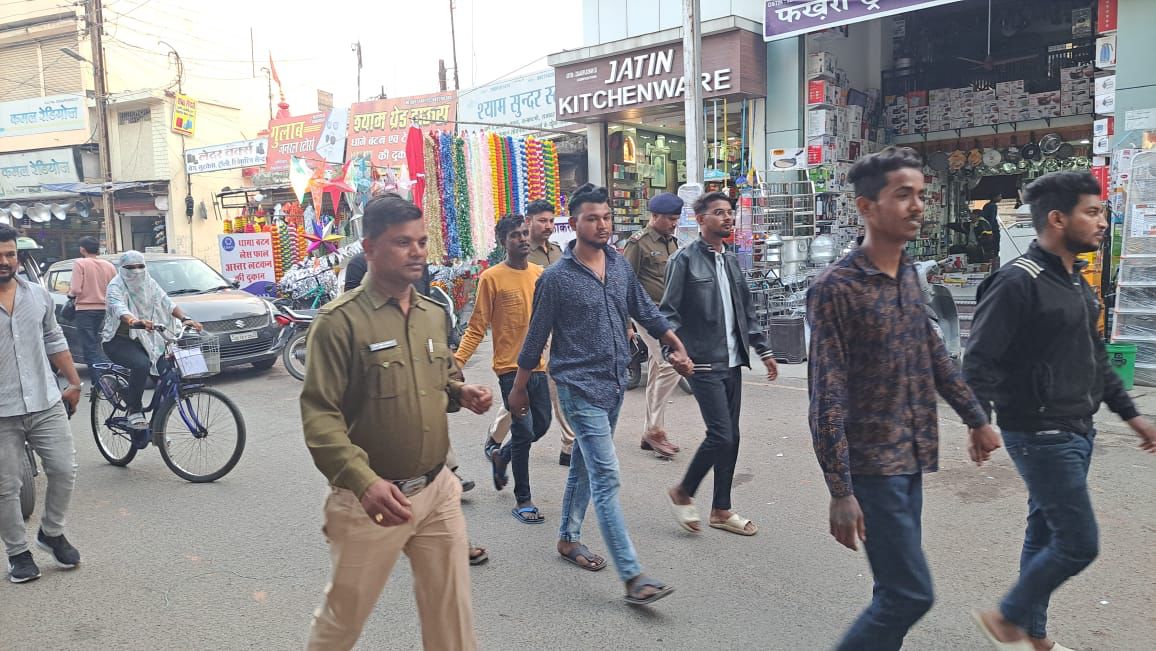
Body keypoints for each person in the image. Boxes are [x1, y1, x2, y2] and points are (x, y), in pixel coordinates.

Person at [806, 147, 1001, 650]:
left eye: (920, 194)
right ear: (867, 207)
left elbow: (933, 354)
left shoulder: (909, 275)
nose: (917, 206)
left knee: (892, 590)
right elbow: (826, 394)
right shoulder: (836, 288)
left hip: (911, 457)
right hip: (872, 468)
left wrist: (976, 418)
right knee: (910, 595)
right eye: (903, 195)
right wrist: (840, 490)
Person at [964, 171, 1156, 651]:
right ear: (1057, 219)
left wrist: (1132, 416)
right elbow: (980, 359)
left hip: (1077, 426)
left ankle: (1033, 636)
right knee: (1078, 542)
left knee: (1044, 532)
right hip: (1040, 431)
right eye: (1091, 212)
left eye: (1101, 211)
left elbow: (1096, 360)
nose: (1102, 222)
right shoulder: (1016, 281)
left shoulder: (1075, 282)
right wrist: (978, 421)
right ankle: (1007, 617)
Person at [301, 193, 493, 650]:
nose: (418, 252)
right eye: (403, 242)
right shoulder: (339, 323)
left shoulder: (432, 314)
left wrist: (459, 392)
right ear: (369, 248)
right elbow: (320, 415)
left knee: (451, 616)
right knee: (342, 621)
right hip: (370, 500)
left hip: (437, 490)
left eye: (422, 242)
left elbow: (439, 375)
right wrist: (364, 482)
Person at [508, 184, 693, 606]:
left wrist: (673, 342)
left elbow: (644, 309)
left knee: (584, 467)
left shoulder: (618, 263)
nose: (602, 224)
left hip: (613, 384)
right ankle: (633, 576)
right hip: (578, 387)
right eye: (592, 218)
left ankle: (568, 538)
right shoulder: (555, 279)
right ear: (574, 223)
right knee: (606, 476)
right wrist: (518, 389)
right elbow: (535, 338)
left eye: (607, 217)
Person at [661, 192, 778, 536]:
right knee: (721, 434)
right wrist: (673, 353)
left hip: (732, 361)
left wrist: (763, 349)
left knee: (732, 436)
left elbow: (746, 311)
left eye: (729, 212)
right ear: (700, 219)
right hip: (702, 362)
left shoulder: (730, 261)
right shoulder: (683, 260)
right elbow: (668, 313)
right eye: (718, 212)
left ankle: (721, 509)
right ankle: (684, 491)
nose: (727, 218)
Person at [343, 249, 476, 493]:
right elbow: (352, 310)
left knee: (429, 409)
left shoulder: (418, 264)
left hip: (419, 349)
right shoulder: (359, 264)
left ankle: (446, 472)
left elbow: (424, 306)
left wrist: (446, 360)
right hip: (381, 355)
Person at [0, 224, 84, 583]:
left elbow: (54, 338)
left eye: (10, 254)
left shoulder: (37, 295)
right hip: (2, 412)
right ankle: (17, 553)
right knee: (5, 487)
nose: (5, 261)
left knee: (64, 469)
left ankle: (51, 532)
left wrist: (74, 382)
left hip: (44, 400)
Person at [455, 215, 551, 524]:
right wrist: (458, 362)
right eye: (514, 235)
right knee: (522, 432)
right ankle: (524, 500)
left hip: (539, 366)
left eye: (524, 233)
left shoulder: (540, 274)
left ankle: (502, 456)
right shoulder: (491, 278)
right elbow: (477, 326)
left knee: (541, 425)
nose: (522, 239)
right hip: (509, 369)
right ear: (502, 242)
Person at [485, 199, 577, 466]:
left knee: (552, 386)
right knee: (522, 392)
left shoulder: (558, 252)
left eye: (551, 221)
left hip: (555, 331)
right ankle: (497, 439)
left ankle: (568, 443)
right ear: (529, 221)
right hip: (525, 339)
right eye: (542, 221)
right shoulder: (521, 256)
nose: (547, 226)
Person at [101, 251, 202, 433]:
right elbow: (118, 308)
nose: (137, 271)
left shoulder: (150, 283)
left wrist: (185, 318)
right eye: (131, 268)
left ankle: (157, 428)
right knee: (142, 365)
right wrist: (134, 321)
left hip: (148, 339)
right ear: (122, 269)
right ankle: (134, 409)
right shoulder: (115, 286)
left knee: (167, 372)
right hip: (119, 341)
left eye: (140, 266)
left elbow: (167, 302)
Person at [623, 192, 683, 458]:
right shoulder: (638, 243)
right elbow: (623, 284)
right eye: (670, 219)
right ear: (654, 216)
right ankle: (655, 431)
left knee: (659, 369)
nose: (674, 223)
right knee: (671, 363)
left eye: (676, 219)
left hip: (669, 315)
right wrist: (626, 323)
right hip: (647, 314)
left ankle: (650, 432)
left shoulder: (673, 242)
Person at [67, 236, 117, 385]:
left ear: (82, 249)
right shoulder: (109, 265)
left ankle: (99, 384)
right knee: (101, 345)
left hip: (85, 310)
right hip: (105, 310)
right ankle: (109, 379)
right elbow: (115, 288)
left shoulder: (80, 263)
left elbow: (76, 289)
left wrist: (70, 295)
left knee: (89, 348)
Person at [978, 194, 1002, 269]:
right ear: (994, 197)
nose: (1001, 198)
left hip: (987, 230)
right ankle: (994, 267)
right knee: (995, 249)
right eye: (999, 196)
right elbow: (991, 219)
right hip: (993, 230)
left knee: (989, 249)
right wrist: (990, 229)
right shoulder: (993, 206)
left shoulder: (987, 205)